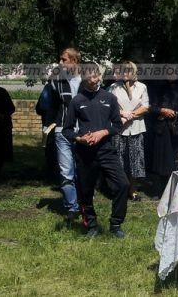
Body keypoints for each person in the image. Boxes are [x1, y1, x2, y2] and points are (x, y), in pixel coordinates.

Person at [62, 64, 129, 238]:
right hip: (85, 153)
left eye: (95, 76)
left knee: (123, 184)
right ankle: (91, 224)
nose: (93, 80)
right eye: (89, 78)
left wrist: (102, 133)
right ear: (83, 78)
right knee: (85, 191)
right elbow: (67, 130)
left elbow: (117, 125)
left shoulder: (109, 98)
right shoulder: (77, 101)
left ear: (99, 75)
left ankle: (116, 224)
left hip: (107, 150)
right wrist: (79, 139)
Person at [108, 61, 149, 202]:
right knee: (118, 161)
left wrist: (130, 115)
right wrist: (122, 114)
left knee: (135, 162)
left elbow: (145, 107)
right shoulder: (114, 87)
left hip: (136, 129)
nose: (125, 73)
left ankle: (133, 190)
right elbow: (109, 106)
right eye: (122, 70)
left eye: (128, 71)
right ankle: (119, 190)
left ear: (134, 72)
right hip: (119, 129)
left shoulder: (142, 87)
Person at [50, 48, 82, 221]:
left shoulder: (87, 79)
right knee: (66, 171)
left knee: (82, 169)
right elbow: (51, 103)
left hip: (83, 131)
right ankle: (72, 207)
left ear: (74, 61)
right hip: (62, 130)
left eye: (64, 60)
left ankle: (84, 203)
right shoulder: (57, 79)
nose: (60, 63)